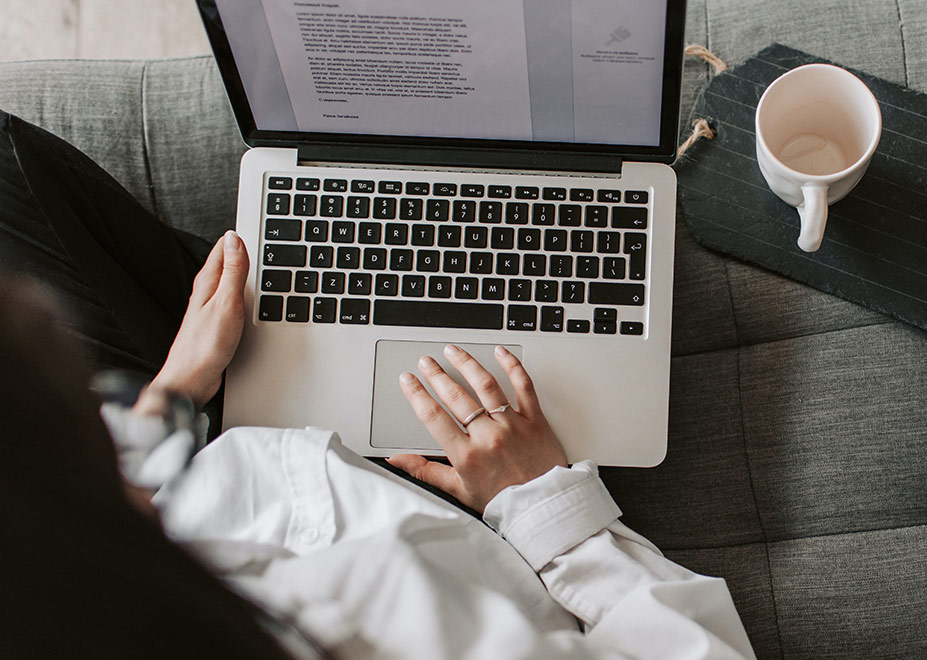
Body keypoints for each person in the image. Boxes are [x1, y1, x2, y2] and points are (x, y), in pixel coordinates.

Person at [0, 109, 756, 659]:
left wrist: (174, 392)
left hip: (204, 450)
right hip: (442, 500)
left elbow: (65, 494)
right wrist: (539, 500)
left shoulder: (67, 575)